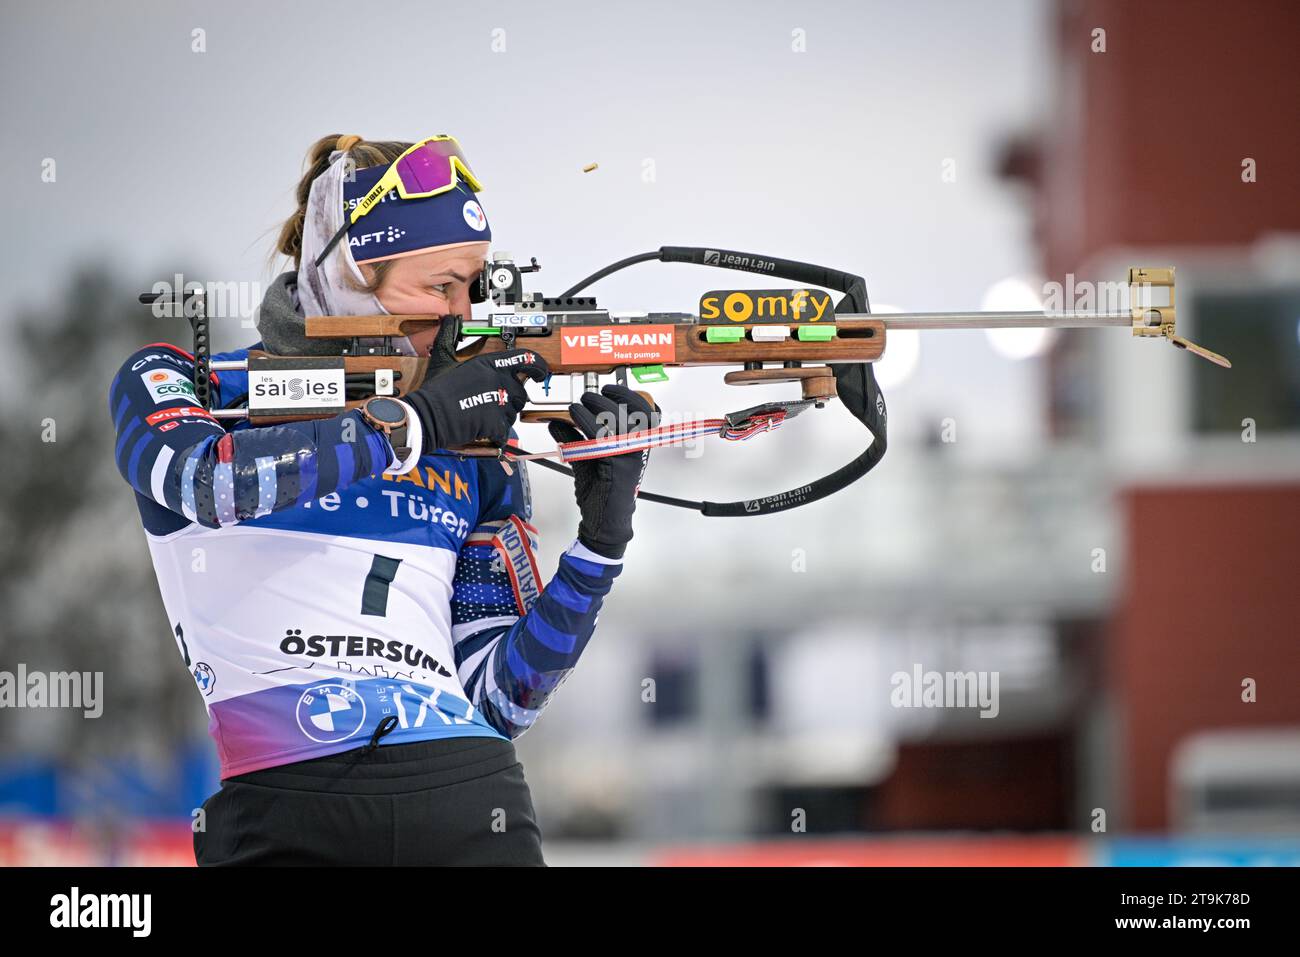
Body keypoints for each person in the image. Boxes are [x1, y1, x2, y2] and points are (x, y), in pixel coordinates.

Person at [108, 133, 657, 865]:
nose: (463, 316)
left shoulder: (473, 446)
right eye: (439, 288)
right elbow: (205, 482)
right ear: (350, 276)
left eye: (474, 285)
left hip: (467, 795)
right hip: (284, 805)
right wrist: (419, 423)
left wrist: (599, 547)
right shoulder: (195, 384)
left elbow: (497, 700)